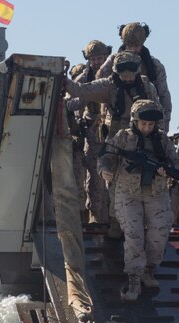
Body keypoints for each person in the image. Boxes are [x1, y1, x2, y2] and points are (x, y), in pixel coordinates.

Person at [66, 51, 162, 238]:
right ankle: (117, 226)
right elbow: (81, 90)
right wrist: (64, 80)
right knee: (116, 186)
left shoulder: (146, 86)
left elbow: (158, 112)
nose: (126, 76)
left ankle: (140, 227)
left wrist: (160, 140)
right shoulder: (109, 85)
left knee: (145, 186)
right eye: (122, 71)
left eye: (131, 71)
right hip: (118, 144)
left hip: (144, 140)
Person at [98, 99, 179, 301]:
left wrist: (166, 170)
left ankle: (149, 269)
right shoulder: (123, 138)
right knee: (133, 234)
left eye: (151, 124)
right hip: (128, 192)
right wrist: (105, 170)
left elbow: (175, 162)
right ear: (135, 121)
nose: (147, 128)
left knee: (159, 231)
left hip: (156, 192)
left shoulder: (162, 140)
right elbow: (106, 156)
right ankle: (134, 275)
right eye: (143, 124)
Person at [70, 40, 112, 224]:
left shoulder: (115, 77)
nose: (96, 62)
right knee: (94, 180)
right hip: (92, 134)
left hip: (113, 135)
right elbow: (69, 102)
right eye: (93, 59)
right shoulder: (83, 79)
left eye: (100, 58)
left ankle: (113, 220)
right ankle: (95, 219)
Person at [96, 22, 173, 124]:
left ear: (142, 44)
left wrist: (165, 123)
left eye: (136, 46)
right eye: (129, 45)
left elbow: (164, 95)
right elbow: (100, 80)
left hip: (145, 120)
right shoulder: (112, 62)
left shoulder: (155, 66)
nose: (133, 50)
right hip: (116, 118)